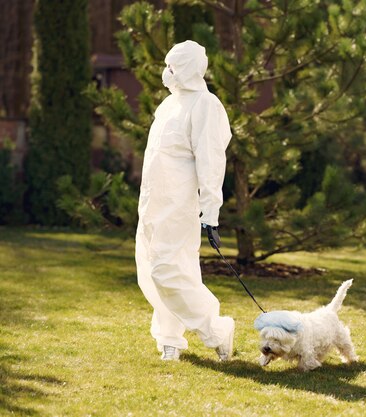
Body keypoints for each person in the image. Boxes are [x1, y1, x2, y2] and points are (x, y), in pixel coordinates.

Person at [135, 40, 234, 361]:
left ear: (190, 69)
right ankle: (170, 339)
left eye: (174, 67)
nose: (167, 73)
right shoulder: (167, 105)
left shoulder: (206, 105)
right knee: (153, 272)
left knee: (167, 272)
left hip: (178, 209)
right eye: (167, 66)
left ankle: (217, 330)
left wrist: (211, 213)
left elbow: (211, 161)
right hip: (151, 206)